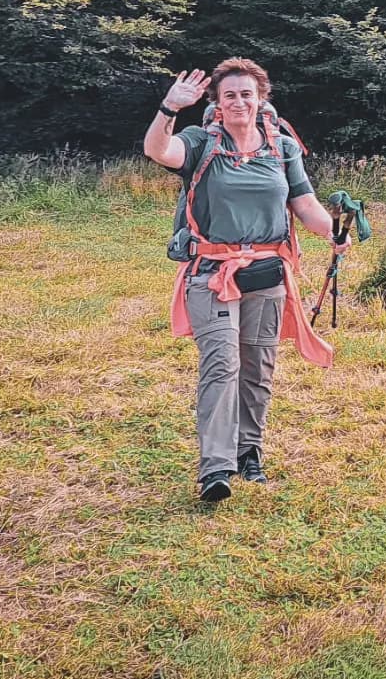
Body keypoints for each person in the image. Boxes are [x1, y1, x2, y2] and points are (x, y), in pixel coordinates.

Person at [142, 58, 346, 503]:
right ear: (216, 101)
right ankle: (216, 468)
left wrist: (334, 231)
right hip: (211, 273)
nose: (239, 101)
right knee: (222, 365)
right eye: (229, 94)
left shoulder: (281, 147)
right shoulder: (200, 142)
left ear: (261, 98)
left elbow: (304, 203)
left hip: (268, 273)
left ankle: (248, 451)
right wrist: (169, 108)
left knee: (258, 368)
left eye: (247, 93)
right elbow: (159, 151)